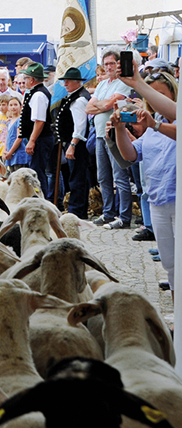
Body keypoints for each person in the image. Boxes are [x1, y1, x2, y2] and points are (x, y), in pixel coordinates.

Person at [110, 72, 177, 291]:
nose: (155, 99)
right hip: (157, 200)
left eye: (160, 94)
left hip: (177, 198)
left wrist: (155, 126)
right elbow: (131, 154)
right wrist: (119, 129)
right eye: (152, 94)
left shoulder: (168, 123)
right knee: (170, 263)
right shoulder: (152, 123)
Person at [86, 47, 135, 229]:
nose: (108, 67)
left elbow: (107, 104)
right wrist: (104, 105)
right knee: (103, 177)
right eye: (105, 64)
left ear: (118, 64)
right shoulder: (102, 84)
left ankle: (124, 216)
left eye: (111, 63)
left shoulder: (123, 82)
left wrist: (102, 105)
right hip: (100, 134)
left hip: (115, 134)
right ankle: (108, 213)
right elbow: (88, 108)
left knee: (119, 176)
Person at [53, 67, 91, 219]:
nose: (65, 83)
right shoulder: (74, 96)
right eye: (64, 80)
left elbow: (80, 125)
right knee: (76, 176)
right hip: (72, 142)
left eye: (68, 81)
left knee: (77, 177)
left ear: (77, 82)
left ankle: (77, 211)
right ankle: (77, 209)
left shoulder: (79, 99)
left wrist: (73, 145)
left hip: (77, 144)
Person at [17, 62, 56, 202]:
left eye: (26, 78)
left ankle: (43, 201)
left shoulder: (38, 95)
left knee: (38, 173)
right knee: (37, 171)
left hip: (41, 139)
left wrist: (32, 140)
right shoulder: (36, 93)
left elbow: (39, 121)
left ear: (32, 79)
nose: (24, 81)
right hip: (40, 138)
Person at [3, 96, 29, 171]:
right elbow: (7, 137)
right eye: (11, 105)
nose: (13, 107)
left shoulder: (20, 120)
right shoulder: (9, 122)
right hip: (10, 155)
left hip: (18, 155)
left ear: (20, 106)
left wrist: (10, 152)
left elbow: (19, 138)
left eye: (15, 105)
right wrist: (5, 150)